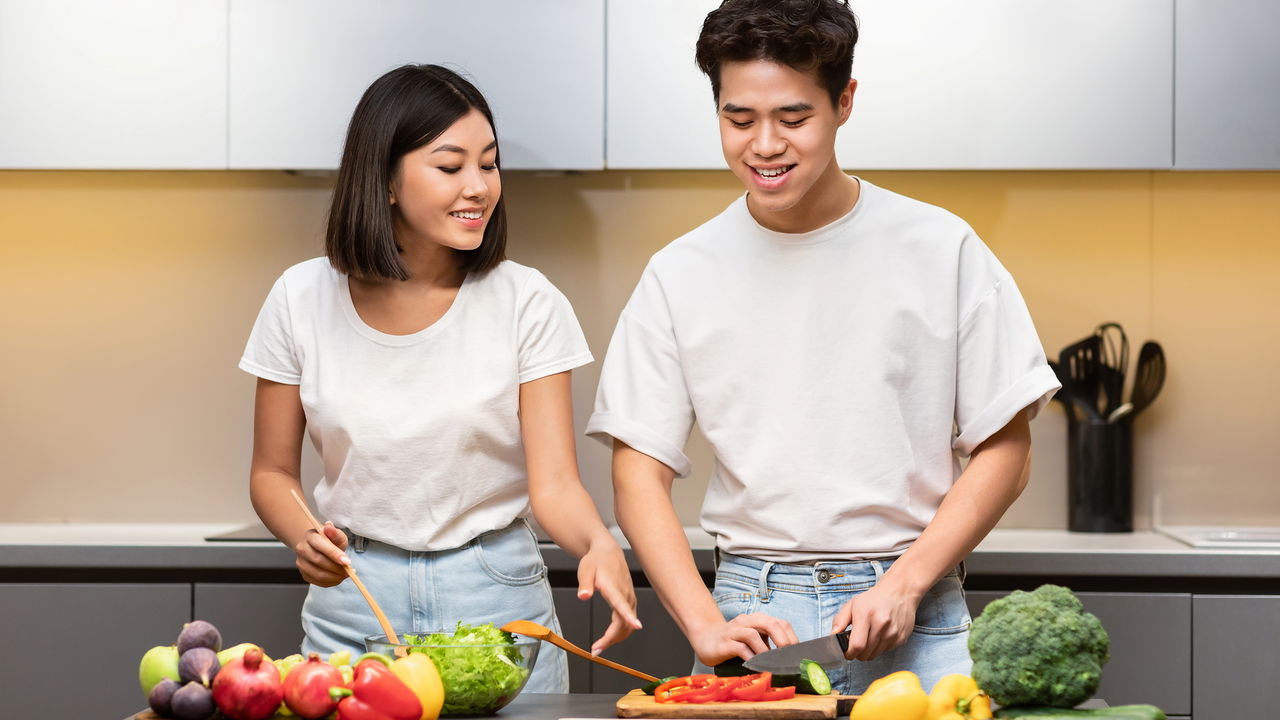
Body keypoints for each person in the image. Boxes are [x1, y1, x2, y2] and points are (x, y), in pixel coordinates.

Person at [586, 0, 1060, 695]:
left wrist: (905, 584)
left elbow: (1007, 448)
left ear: (844, 103)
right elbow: (637, 471)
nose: (765, 145)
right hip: (750, 615)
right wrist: (702, 622)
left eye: (794, 118)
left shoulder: (942, 248)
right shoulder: (680, 273)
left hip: (912, 608)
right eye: (738, 119)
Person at [240, 64, 639, 693]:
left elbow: (556, 484)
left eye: (490, 163)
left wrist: (596, 542)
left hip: (499, 604)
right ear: (386, 180)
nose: (478, 186)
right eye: (450, 167)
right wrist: (306, 536)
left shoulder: (526, 301)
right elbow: (271, 473)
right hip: (355, 604)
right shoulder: (299, 297)